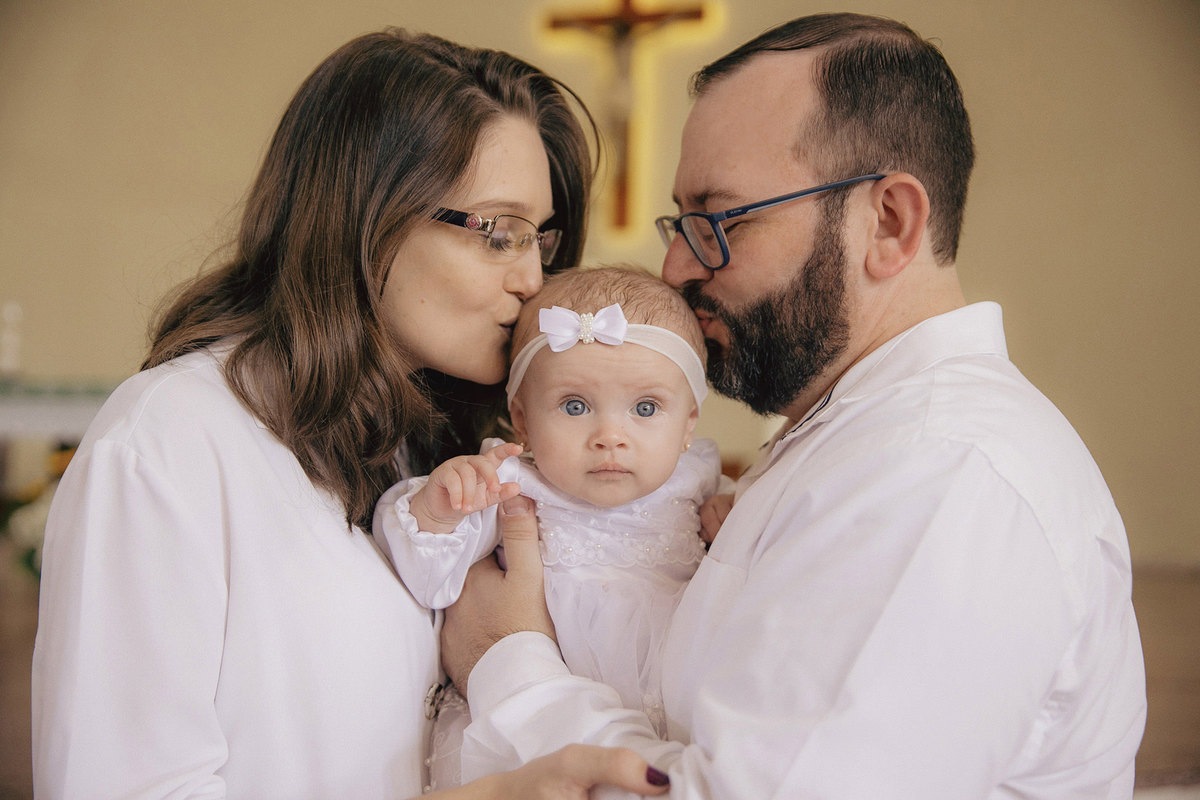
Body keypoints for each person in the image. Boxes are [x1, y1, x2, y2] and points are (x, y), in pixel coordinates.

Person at [440, 12, 1147, 798]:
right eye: (683, 222)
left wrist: (509, 662)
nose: (675, 268)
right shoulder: (854, 443)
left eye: (722, 219)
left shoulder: (941, 476)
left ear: (888, 222)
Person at [30, 29, 668, 799]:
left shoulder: (435, 447)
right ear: (369, 216)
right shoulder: (170, 441)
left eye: (542, 238)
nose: (533, 277)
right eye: (499, 233)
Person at [374, 265, 726, 791]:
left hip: (668, 720)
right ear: (522, 418)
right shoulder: (510, 484)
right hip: (524, 740)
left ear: (688, 423)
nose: (610, 435)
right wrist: (439, 511)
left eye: (646, 408)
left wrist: (727, 516)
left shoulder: (697, 480)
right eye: (575, 406)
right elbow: (428, 581)